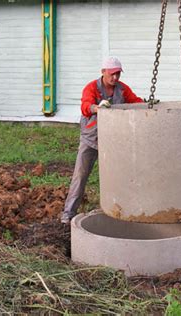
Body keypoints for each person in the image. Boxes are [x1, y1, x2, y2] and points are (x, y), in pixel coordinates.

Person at [61, 57, 143, 224]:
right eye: (112, 74)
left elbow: (135, 101)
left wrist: (148, 105)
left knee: (120, 176)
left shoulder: (122, 89)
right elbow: (85, 106)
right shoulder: (91, 88)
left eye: (118, 74)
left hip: (114, 140)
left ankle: (121, 212)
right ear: (103, 72)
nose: (115, 78)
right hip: (91, 139)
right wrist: (96, 108)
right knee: (80, 175)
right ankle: (68, 214)